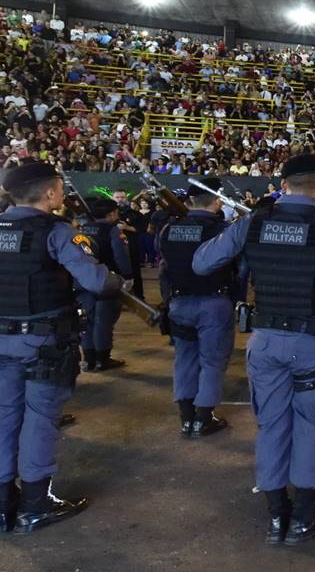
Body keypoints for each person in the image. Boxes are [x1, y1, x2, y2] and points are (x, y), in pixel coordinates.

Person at [192, 153, 315, 545]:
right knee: (310, 428)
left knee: (270, 426)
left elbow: (202, 263)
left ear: (283, 185)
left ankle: (275, 516)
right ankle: (303, 517)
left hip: (265, 341)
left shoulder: (254, 220)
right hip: (313, 344)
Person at [0, 163, 125, 533]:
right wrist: (116, 279)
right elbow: (97, 281)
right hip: (43, 342)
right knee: (40, 419)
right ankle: (36, 504)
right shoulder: (55, 232)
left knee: (5, 416)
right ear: (51, 193)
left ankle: (4, 504)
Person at [156, 177, 240, 438]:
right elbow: (240, 268)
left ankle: (186, 417)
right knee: (213, 361)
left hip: (179, 302)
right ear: (217, 201)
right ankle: (204, 418)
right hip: (214, 301)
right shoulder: (224, 230)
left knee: (184, 359)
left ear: (190, 200)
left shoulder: (168, 229)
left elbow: (163, 269)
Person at [77, 197, 132, 371]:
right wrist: (128, 276)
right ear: (112, 213)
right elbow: (120, 256)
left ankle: (89, 358)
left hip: (83, 281)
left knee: (86, 321)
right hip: (107, 280)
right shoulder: (113, 231)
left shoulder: (82, 230)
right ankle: (103, 358)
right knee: (104, 321)